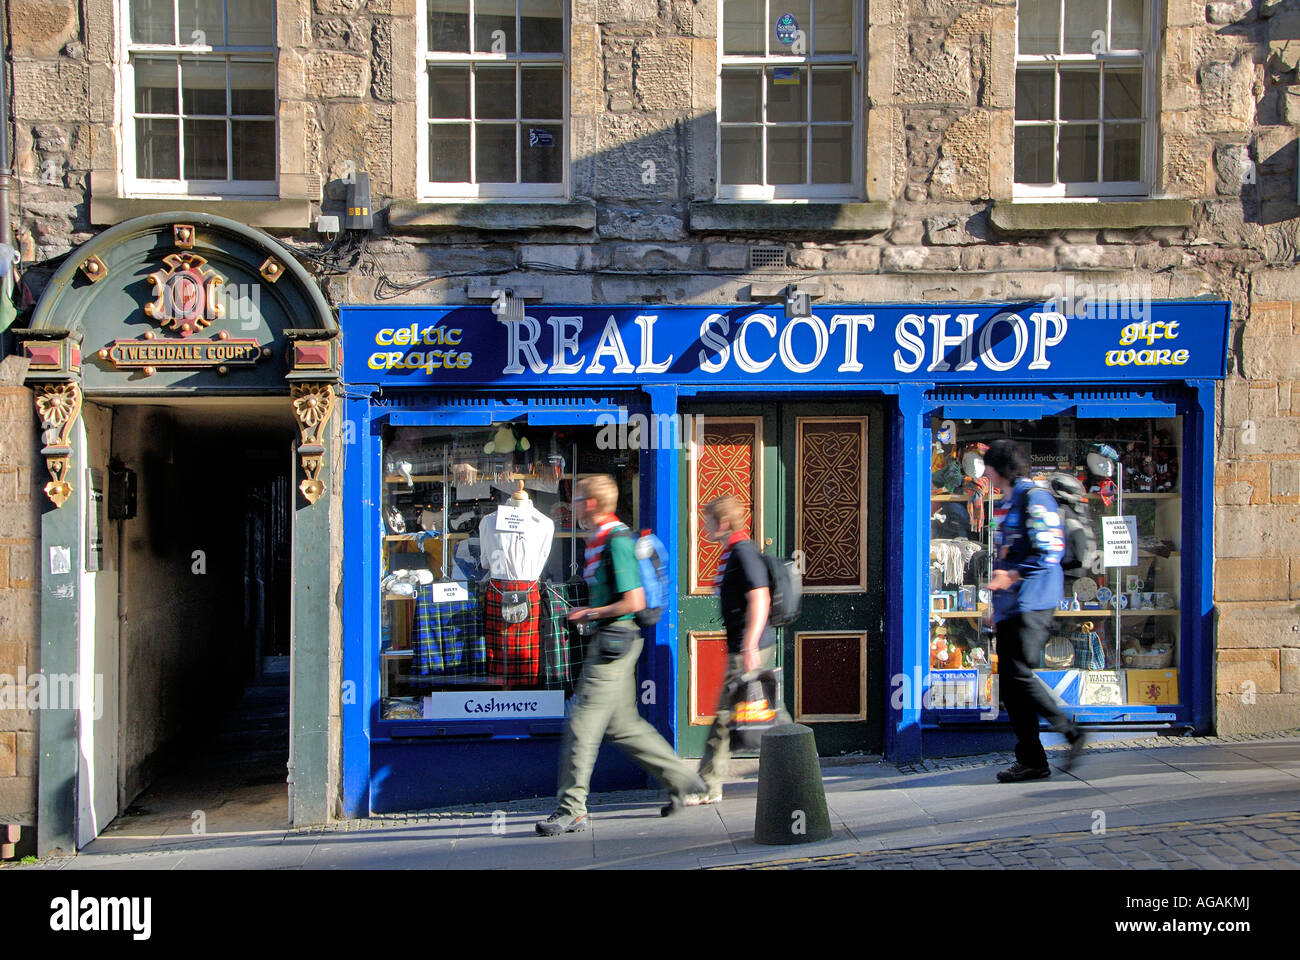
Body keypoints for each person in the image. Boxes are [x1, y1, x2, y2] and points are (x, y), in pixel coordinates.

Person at [536, 474, 706, 835]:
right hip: (614, 641)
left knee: (581, 724)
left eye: (579, 499)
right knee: (623, 726)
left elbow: (634, 601)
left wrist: (589, 613)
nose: (575, 504)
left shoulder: (616, 542)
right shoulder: (601, 540)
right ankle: (682, 779)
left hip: (614, 643)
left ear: (593, 504)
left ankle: (572, 809)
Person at [983, 439, 1087, 782]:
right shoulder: (1011, 501)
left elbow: (1050, 550)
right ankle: (1032, 760)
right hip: (1012, 604)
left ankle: (1069, 731)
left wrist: (1010, 575)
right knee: (1011, 687)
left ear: (999, 470)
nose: (985, 472)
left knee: (1018, 675)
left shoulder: (1034, 497)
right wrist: (994, 605)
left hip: (1034, 601)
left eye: (988, 466)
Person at [684, 494, 779, 806]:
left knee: (725, 718)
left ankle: (707, 786)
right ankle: (797, 765)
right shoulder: (734, 552)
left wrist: (750, 644)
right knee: (767, 713)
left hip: (748, 648)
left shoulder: (742, 551)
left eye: (708, 520)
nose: (705, 527)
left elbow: (760, 596)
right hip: (745, 646)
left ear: (723, 522)